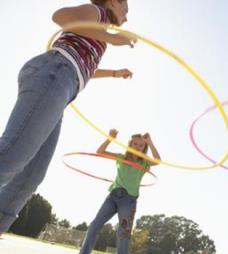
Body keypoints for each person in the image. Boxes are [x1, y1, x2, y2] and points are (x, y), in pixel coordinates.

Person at [0, 0, 136, 234]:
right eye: (127, 9)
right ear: (113, 2)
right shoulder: (97, 13)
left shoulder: (98, 33)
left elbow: (84, 67)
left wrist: (114, 73)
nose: (127, 17)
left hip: (63, 83)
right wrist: (113, 38)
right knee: (12, 156)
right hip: (55, 72)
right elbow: (60, 16)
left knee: (31, 177)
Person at [80, 129, 161, 254]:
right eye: (135, 144)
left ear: (144, 148)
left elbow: (157, 160)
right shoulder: (121, 157)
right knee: (94, 225)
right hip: (113, 197)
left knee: (123, 233)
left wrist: (149, 142)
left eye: (141, 145)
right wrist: (110, 138)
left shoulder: (144, 163)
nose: (138, 147)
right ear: (130, 144)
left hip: (128, 201)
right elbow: (99, 152)